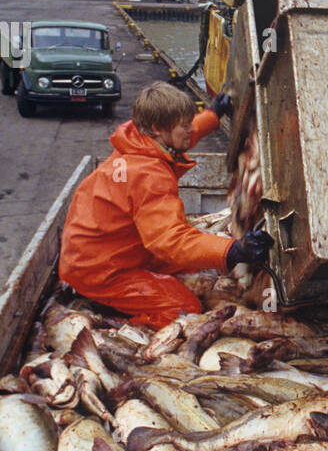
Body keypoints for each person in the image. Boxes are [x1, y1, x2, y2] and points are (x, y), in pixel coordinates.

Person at [59, 82, 272, 329]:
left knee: (196, 265)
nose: (190, 130)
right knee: (184, 307)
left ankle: (122, 298)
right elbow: (171, 241)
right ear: (157, 129)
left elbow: (181, 137)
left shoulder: (138, 139)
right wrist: (233, 250)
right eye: (185, 125)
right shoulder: (148, 176)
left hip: (112, 249)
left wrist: (213, 115)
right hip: (98, 270)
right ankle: (109, 320)